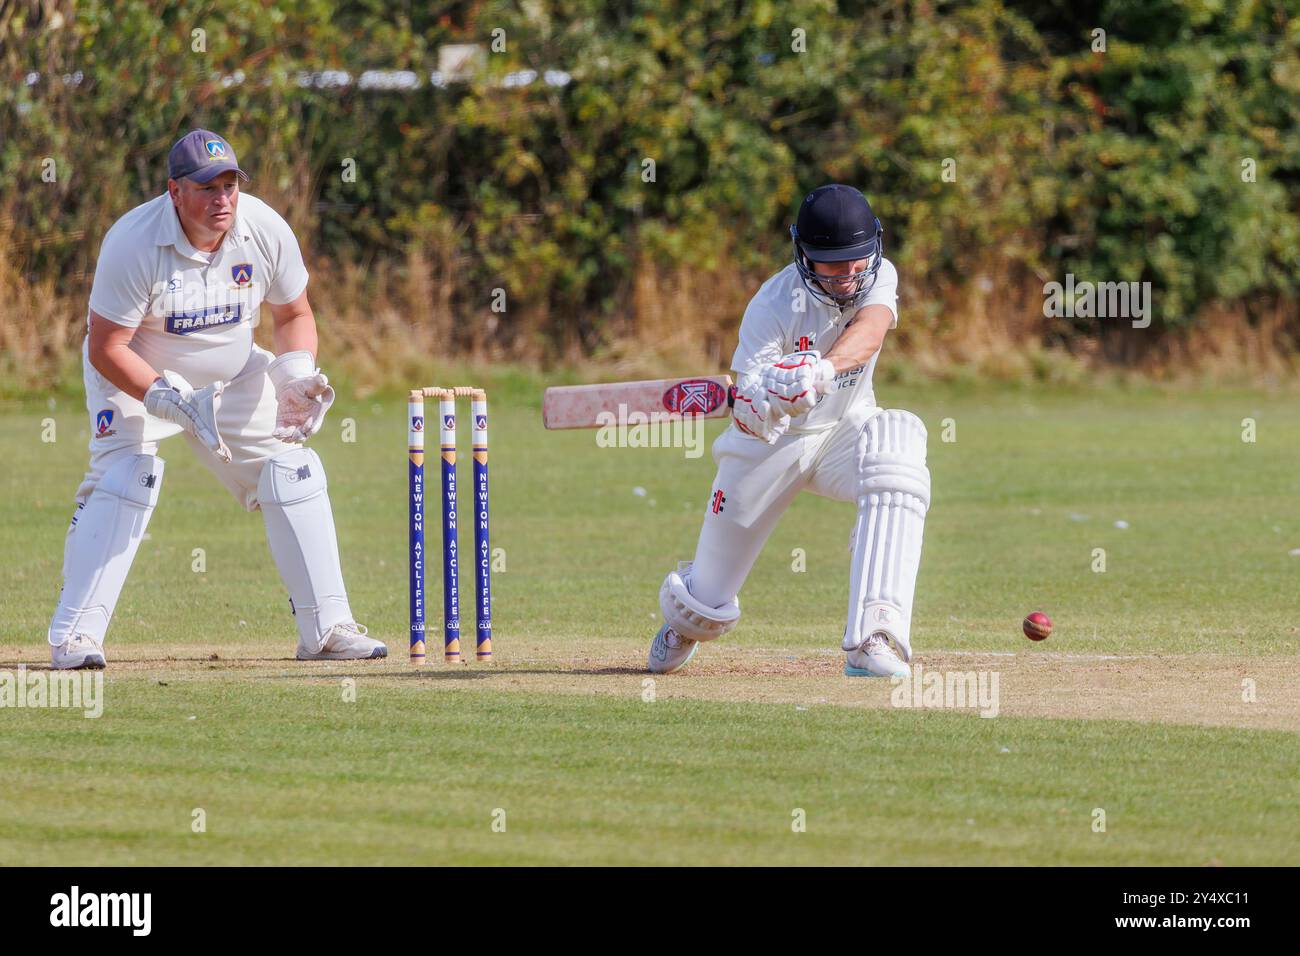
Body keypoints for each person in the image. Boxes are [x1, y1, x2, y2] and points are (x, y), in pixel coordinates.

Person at [46, 129, 385, 669]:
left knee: (294, 469)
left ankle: (325, 630)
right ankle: (74, 637)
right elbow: (107, 346)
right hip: (136, 374)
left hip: (232, 375)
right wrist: (163, 396)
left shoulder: (263, 227)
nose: (222, 198)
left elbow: (293, 314)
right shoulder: (133, 242)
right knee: (127, 478)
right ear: (174, 191)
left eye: (229, 184)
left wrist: (295, 375)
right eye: (207, 187)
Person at [649, 184, 929, 678]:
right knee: (705, 604)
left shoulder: (880, 274)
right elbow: (748, 412)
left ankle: (873, 637)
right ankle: (687, 614)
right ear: (804, 254)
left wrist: (819, 371)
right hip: (771, 447)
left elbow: (871, 329)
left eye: (856, 261)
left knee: (900, 439)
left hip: (845, 427)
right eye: (832, 263)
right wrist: (767, 402)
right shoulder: (771, 306)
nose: (847, 275)